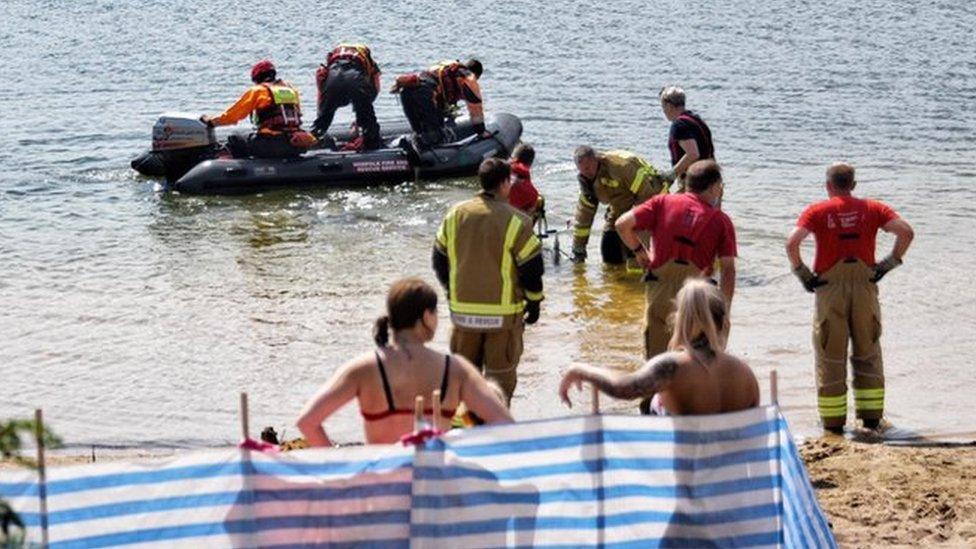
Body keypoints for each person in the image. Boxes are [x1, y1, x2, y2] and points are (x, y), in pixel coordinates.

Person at [296, 278, 513, 446]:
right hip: (434, 484)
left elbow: (307, 422)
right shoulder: (455, 369)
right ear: (427, 316)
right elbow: (506, 425)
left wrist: (345, 469)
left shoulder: (363, 368)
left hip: (384, 486)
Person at [786, 162, 914, 434]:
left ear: (828, 186)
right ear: (853, 185)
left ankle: (833, 425)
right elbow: (906, 231)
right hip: (865, 283)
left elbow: (792, 243)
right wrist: (889, 263)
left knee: (830, 354)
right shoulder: (874, 208)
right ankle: (871, 419)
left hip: (829, 287)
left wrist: (803, 273)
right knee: (868, 350)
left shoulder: (817, 210)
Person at [615, 159, 737, 413]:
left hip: (658, 292)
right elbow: (728, 269)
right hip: (694, 300)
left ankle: (649, 415)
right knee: (695, 361)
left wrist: (639, 251)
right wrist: (723, 311)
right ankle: (684, 413)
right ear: (715, 187)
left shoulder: (662, 202)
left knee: (655, 360)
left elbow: (622, 225)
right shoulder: (720, 220)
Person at [432, 158, 544, 403]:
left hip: (462, 316)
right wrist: (534, 303)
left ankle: (467, 431)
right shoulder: (517, 221)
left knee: (463, 380)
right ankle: (494, 432)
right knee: (499, 384)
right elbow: (532, 269)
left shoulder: (455, 215)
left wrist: (451, 291)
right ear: (504, 183)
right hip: (502, 319)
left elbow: (439, 259)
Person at [559, 278, 758, 415]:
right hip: (730, 474)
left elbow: (624, 389)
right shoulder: (745, 374)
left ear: (679, 319)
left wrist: (580, 370)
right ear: (723, 322)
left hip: (685, 473)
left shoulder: (672, 367)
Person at [572, 146, 669, 265]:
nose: (586, 173)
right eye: (582, 170)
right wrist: (578, 249)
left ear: (596, 159)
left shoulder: (621, 168)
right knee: (609, 248)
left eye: (588, 168)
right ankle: (616, 281)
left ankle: (638, 279)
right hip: (621, 206)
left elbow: (647, 197)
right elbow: (584, 215)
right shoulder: (587, 181)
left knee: (635, 254)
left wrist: (632, 226)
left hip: (651, 200)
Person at [201, 59, 313, 159]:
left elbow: (232, 116)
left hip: (271, 144)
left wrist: (211, 121)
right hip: (295, 144)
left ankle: (234, 169)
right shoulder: (291, 90)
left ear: (257, 78)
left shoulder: (258, 91)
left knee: (235, 139)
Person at [391, 59, 490, 147]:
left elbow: (438, 97)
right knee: (435, 137)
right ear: (476, 75)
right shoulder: (469, 77)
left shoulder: (447, 68)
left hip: (406, 93)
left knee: (419, 132)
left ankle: (405, 147)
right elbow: (475, 107)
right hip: (424, 95)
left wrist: (445, 113)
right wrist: (481, 131)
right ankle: (409, 145)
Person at [311, 43, 383, 151]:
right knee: (369, 126)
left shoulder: (329, 63)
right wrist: (362, 116)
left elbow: (321, 92)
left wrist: (321, 116)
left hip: (333, 82)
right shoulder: (367, 59)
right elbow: (376, 88)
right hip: (355, 81)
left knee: (321, 124)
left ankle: (312, 141)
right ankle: (371, 145)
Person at [659, 86, 715, 188]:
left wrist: (672, 174)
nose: (663, 111)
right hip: (712, 178)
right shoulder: (696, 120)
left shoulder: (679, 125)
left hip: (696, 182)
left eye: (663, 107)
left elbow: (693, 154)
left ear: (669, 106)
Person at [508, 143, 543, 219]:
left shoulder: (500, 172)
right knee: (540, 201)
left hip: (493, 216)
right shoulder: (532, 192)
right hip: (510, 224)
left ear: (515, 157)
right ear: (530, 163)